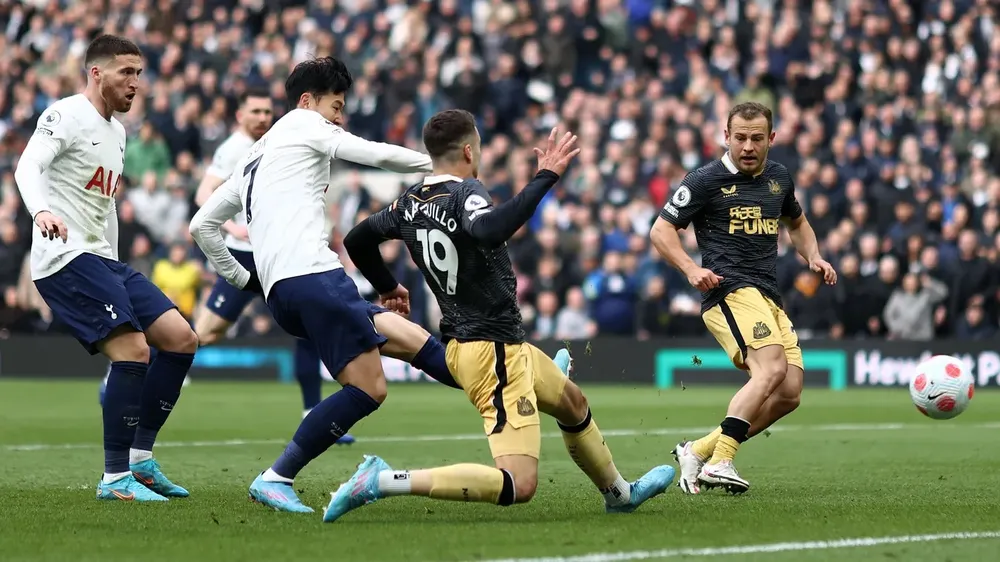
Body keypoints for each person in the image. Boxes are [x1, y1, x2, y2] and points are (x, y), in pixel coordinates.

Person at [328, 109, 674, 523]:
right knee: (518, 484)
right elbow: (488, 229)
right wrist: (545, 176)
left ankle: (619, 493)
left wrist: (387, 286)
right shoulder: (465, 191)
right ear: (470, 150)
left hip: (491, 345)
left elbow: (357, 238)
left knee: (571, 401)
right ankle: (384, 481)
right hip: (492, 353)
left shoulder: (409, 202)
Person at [189, 57, 481, 513]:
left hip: (287, 291)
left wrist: (245, 278)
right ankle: (276, 476)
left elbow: (202, 225)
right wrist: (443, 166)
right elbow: (377, 154)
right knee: (370, 390)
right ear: (308, 102)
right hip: (315, 276)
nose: (339, 118)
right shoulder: (305, 125)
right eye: (336, 106)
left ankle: (524, 383)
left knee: (414, 340)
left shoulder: (253, 156)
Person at [13, 35, 198, 502]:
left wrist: (116, 263)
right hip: (65, 257)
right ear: (96, 74)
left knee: (180, 339)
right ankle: (115, 478)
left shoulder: (118, 133)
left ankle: (141, 460)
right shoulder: (65, 114)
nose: (137, 83)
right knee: (134, 351)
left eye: (139, 73)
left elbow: (106, 206)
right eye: (126, 73)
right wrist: (41, 213)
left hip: (103, 260)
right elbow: (27, 168)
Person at [649, 102, 837, 495]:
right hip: (727, 289)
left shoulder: (779, 178)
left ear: (771, 139)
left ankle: (697, 452)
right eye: (739, 138)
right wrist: (690, 269)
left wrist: (813, 255)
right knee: (769, 369)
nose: (747, 146)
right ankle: (722, 460)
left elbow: (797, 223)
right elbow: (661, 231)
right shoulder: (704, 180)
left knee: (789, 393)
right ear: (726, 137)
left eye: (756, 138)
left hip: (767, 294)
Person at [190, 88, 344, 425]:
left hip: (279, 255)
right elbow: (204, 192)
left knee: (308, 332)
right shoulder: (232, 149)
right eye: (255, 111)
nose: (262, 118)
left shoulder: (280, 138)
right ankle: (136, 368)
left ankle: (311, 412)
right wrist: (231, 227)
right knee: (206, 333)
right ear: (239, 115)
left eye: (266, 112)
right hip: (244, 256)